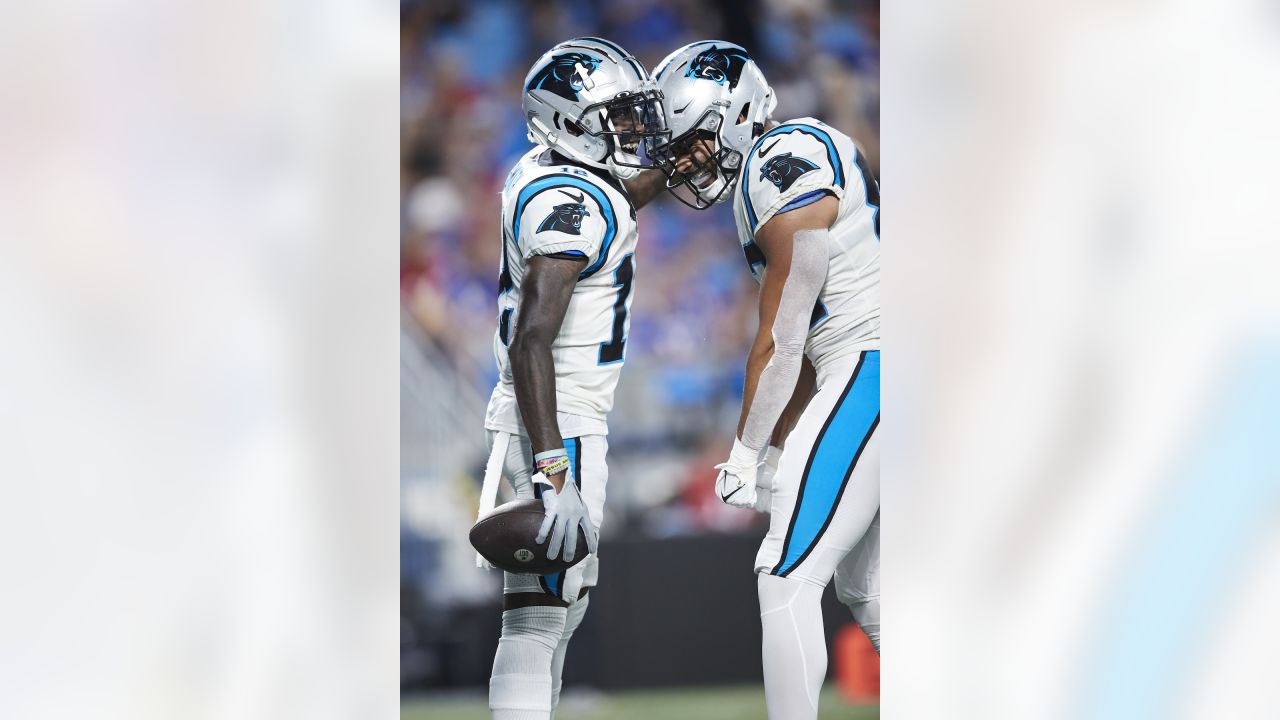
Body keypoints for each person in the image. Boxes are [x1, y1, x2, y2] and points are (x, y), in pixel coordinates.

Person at [652, 40, 881, 720]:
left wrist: (747, 452)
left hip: (871, 366)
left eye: (692, 141)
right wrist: (782, 445)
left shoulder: (780, 166)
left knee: (783, 577)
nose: (685, 160)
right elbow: (806, 347)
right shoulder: (780, 163)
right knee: (871, 590)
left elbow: (784, 338)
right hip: (868, 368)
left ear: (736, 114)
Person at [476, 37, 669, 720]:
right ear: (571, 122)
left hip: (551, 417)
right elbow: (533, 337)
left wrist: (676, 165)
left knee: (563, 603)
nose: (628, 130)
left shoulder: (555, 173)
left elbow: (609, 200)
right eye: (614, 116)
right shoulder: (570, 204)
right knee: (535, 618)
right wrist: (553, 468)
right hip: (558, 421)